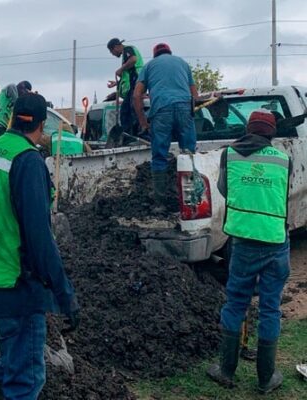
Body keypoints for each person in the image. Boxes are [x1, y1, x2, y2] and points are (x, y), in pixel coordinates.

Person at [0, 93, 79, 399]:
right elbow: (39, 239)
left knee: (12, 360)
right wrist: (65, 295)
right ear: (42, 125)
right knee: (26, 380)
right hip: (15, 287)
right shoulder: (28, 161)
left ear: (11, 117)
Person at [207, 110, 291, 394]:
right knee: (270, 308)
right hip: (276, 241)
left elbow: (224, 189)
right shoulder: (283, 159)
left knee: (235, 303)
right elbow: (281, 192)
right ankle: (266, 378)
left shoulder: (229, 155)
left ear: (247, 129)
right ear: (271, 133)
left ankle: (226, 371)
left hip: (244, 241)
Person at [133, 43, 198, 208]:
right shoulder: (183, 64)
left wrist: (143, 122)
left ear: (155, 55)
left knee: (159, 156)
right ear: (170, 52)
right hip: (184, 107)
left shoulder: (149, 66)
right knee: (189, 154)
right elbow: (195, 95)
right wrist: (191, 114)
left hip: (161, 110)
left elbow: (136, 95)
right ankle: (192, 200)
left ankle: (160, 202)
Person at [107, 38, 144, 135]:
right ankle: (132, 132)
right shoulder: (125, 54)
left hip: (137, 81)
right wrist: (117, 83)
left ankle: (132, 133)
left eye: (111, 51)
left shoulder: (127, 49)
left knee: (127, 110)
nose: (113, 54)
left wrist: (121, 69)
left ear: (115, 47)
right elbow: (127, 75)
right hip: (136, 82)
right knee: (127, 109)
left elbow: (133, 59)